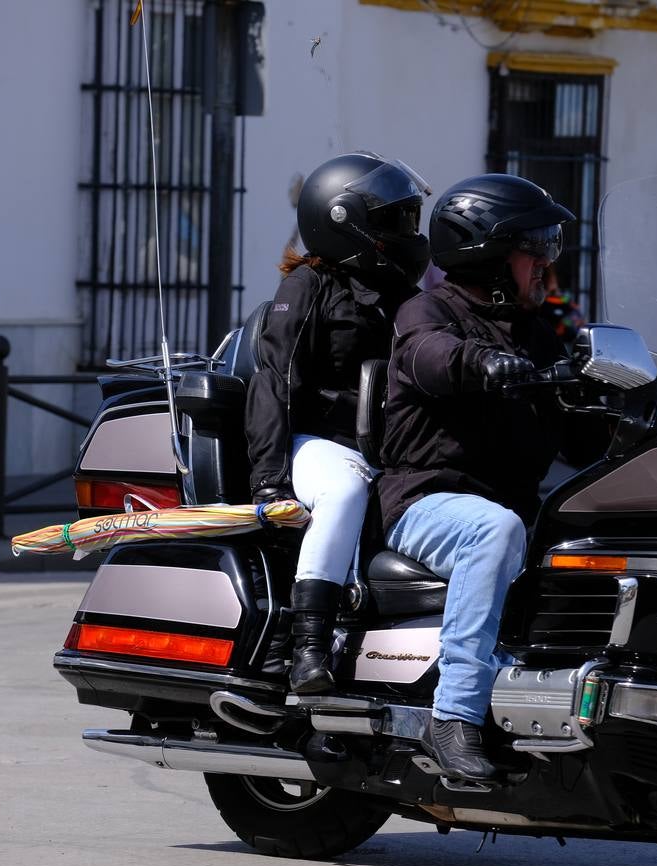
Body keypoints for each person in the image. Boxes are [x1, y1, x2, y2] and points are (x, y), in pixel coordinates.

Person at [378, 173, 594, 781]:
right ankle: (453, 717)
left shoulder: (534, 331)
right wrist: (481, 361)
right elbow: (429, 355)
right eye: (536, 248)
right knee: (492, 532)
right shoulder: (428, 311)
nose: (547, 264)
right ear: (491, 253)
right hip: (427, 502)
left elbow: (578, 436)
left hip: (511, 500)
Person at [244, 152, 431, 693]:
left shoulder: (407, 298)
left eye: (409, 219)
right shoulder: (309, 286)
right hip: (316, 444)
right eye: (395, 221)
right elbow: (275, 379)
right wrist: (270, 479)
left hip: (385, 447)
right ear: (346, 220)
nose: (407, 233)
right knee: (347, 490)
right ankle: (307, 644)